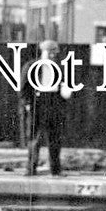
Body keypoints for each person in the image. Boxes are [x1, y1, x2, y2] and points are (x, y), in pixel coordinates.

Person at [24, 39, 70, 176]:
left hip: (53, 103)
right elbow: (24, 86)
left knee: (55, 138)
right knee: (34, 138)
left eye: (54, 53)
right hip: (37, 103)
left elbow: (63, 85)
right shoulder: (32, 66)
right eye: (50, 52)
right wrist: (27, 103)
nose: (52, 56)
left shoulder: (57, 68)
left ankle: (55, 170)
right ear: (43, 52)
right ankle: (31, 169)